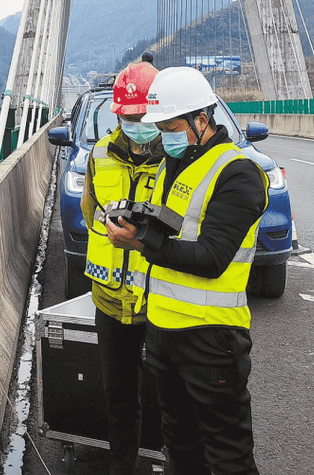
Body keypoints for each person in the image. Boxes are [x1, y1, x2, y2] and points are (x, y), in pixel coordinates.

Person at [106, 66, 267, 475]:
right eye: (160, 127)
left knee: (228, 457)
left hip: (210, 339)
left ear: (202, 118)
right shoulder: (170, 165)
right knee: (179, 451)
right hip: (162, 333)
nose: (164, 136)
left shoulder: (237, 172)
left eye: (171, 125)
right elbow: (171, 231)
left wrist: (140, 244)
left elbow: (212, 258)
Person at [82, 58, 163, 475]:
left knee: (170, 394)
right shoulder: (100, 155)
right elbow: (90, 210)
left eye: (144, 115)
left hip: (161, 303)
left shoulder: (175, 160)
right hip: (110, 300)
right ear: (118, 114)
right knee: (119, 395)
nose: (136, 123)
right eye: (129, 116)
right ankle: (122, 466)